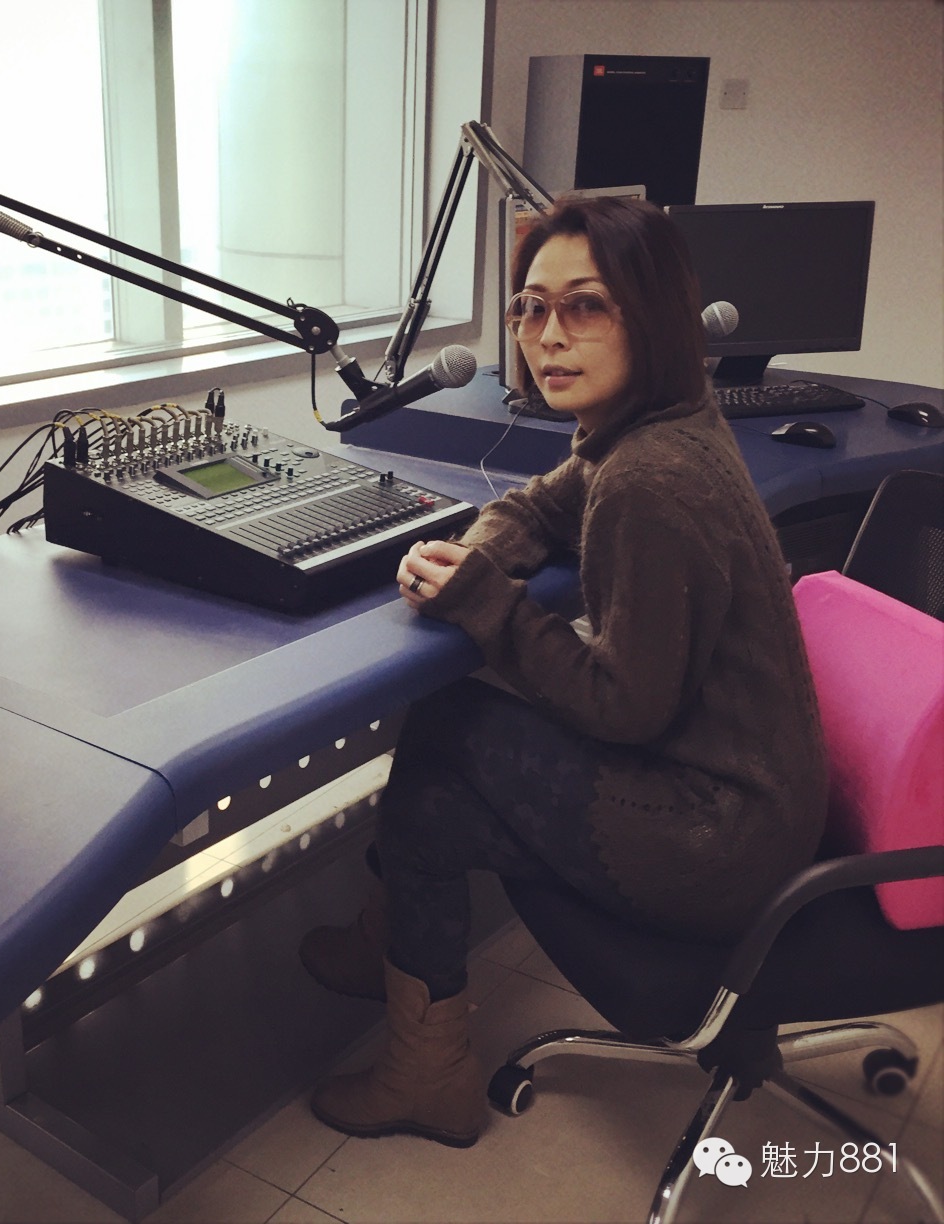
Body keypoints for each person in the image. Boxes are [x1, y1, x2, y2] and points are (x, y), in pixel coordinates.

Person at [299, 195, 828, 1148]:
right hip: (762, 802)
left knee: (449, 723)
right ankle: (412, 1014)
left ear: (651, 315)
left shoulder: (650, 481)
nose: (547, 335)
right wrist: (479, 557)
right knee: (432, 795)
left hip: (720, 840)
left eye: (585, 306)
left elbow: (624, 708)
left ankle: (419, 1047)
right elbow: (543, 503)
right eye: (530, 308)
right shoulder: (657, 423)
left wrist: (484, 605)